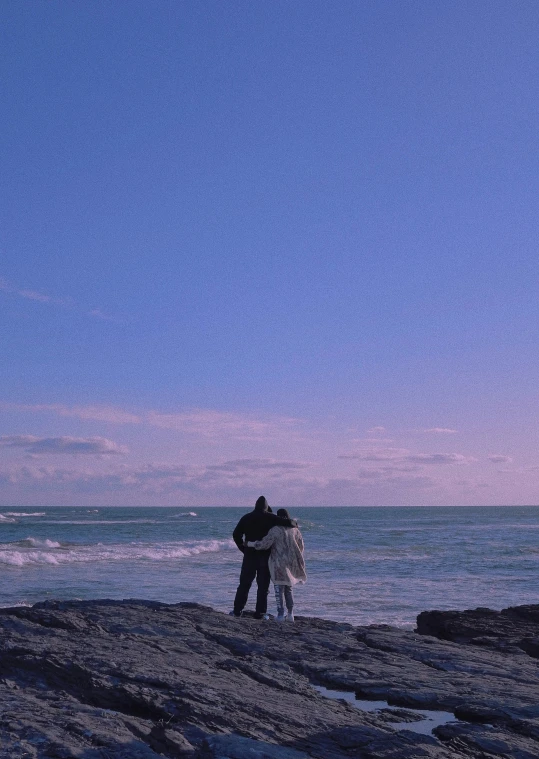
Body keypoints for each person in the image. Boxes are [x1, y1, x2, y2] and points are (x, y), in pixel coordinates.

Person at [231, 496, 297, 619]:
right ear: (266, 507)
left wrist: (244, 549)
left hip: (249, 556)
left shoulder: (246, 517)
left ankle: (237, 611)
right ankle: (260, 613)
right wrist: (295, 523)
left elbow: (236, 535)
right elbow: (289, 522)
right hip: (265, 557)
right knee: (263, 587)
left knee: (244, 584)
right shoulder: (270, 517)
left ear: (255, 505)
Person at [247, 508, 306, 622]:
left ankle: (280, 615)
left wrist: (249, 543)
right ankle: (290, 615)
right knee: (289, 588)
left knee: (279, 589)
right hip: (290, 563)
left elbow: (264, 544)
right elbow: (301, 547)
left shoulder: (275, 530)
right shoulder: (295, 530)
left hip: (278, 563)